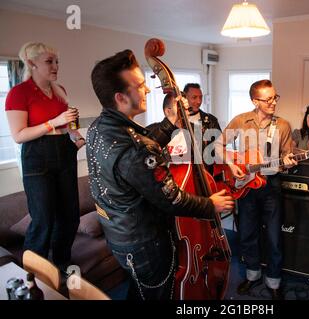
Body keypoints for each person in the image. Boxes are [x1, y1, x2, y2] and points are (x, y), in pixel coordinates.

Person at [86, 49, 234, 300]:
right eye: (141, 85)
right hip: (146, 243)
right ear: (121, 98)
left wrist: (170, 124)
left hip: (119, 235)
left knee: (140, 292)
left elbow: (140, 158)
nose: (146, 90)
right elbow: (172, 199)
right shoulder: (136, 146)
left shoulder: (99, 128)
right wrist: (210, 204)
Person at [5, 42, 84, 270]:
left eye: (56, 61)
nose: (55, 66)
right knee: (43, 222)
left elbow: (68, 126)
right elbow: (19, 135)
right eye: (49, 61)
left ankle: (61, 266)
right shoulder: (19, 93)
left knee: (70, 219)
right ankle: (33, 276)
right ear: (32, 63)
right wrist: (53, 123)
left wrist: (76, 137)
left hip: (65, 155)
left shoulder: (60, 91)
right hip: (37, 159)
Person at [215, 80, 297, 300]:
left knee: (273, 237)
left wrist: (289, 162)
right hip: (245, 187)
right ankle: (252, 275)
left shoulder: (283, 125)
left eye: (275, 97)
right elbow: (217, 145)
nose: (273, 102)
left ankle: (274, 281)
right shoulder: (241, 121)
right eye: (267, 98)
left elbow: (288, 156)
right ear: (255, 101)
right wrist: (232, 166)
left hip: (272, 186)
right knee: (247, 234)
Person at [183, 83, 221, 173]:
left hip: (206, 171)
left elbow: (219, 146)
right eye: (194, 97)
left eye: (200, 97)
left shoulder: (211, 120)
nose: (199, 101)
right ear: (184, 98)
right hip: (184, 171)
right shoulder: (175, 121)